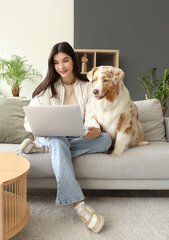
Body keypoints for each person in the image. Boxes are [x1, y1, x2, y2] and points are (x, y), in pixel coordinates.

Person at [20, 42, 111, 233]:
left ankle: (44, 149)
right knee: (58, 141)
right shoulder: (47, 89)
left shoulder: (87, 87)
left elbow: (91, 116)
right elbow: (29, 120)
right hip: (51, 136)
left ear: (73, 60)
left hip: (74, 133)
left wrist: (93, 128)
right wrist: (39, 131)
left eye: (65, 60)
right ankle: (80, 207)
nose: (61, 66)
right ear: (52, 65)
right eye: (56, 62)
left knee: (105, 140)